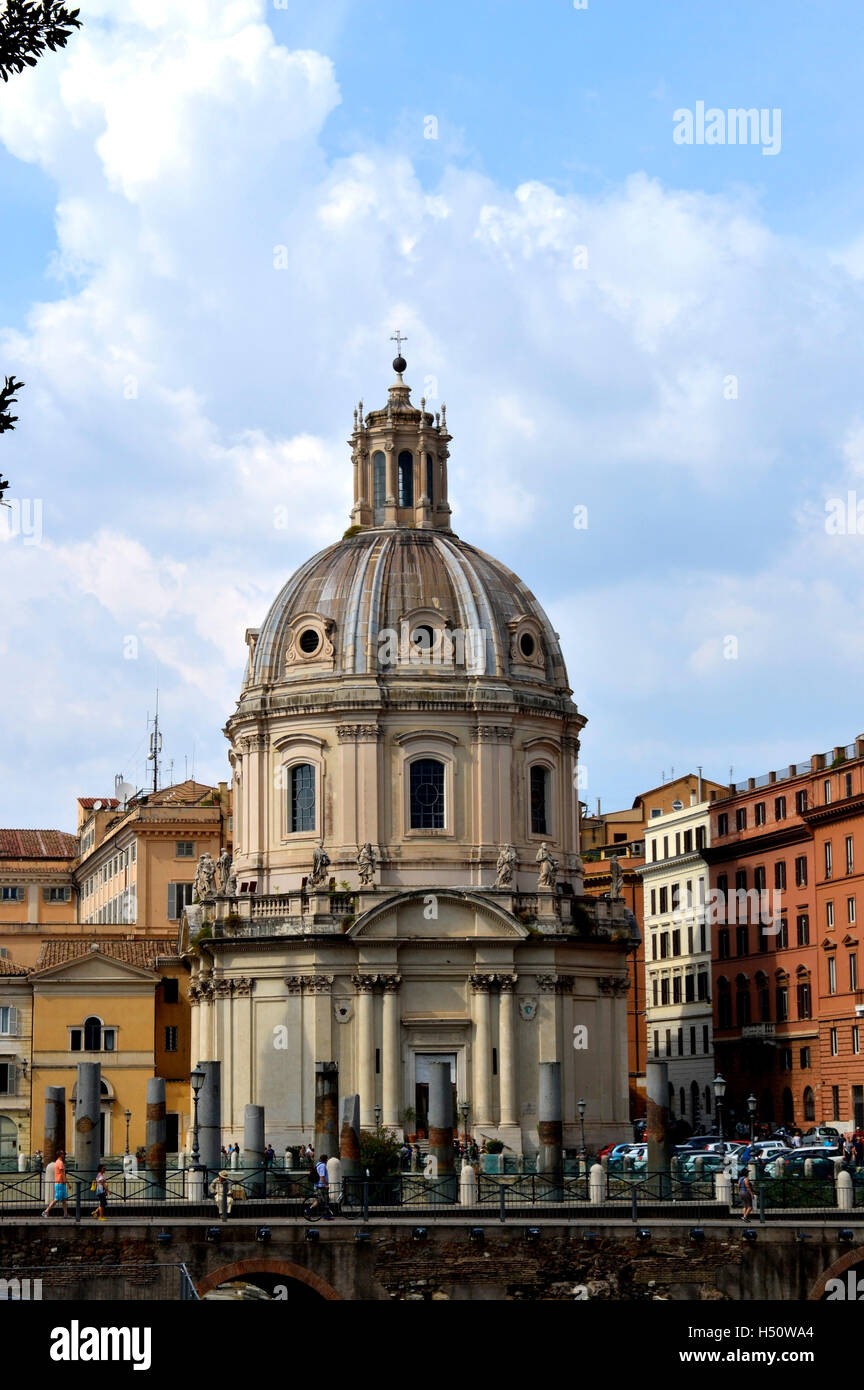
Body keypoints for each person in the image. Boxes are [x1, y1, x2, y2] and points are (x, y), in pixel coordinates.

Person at [42, 1149, 69, 1218]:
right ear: (61, 1155)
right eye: (63, 1154)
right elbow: (63, 1174)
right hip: (60, 1183)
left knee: (64, 1200)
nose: (64, 1155)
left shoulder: (57, 1162)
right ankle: (46, 1211)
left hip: (60, 1183)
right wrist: (68, 1183)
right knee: (56, 1199)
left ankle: (65, 1214)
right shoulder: (60, 1163)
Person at [314, 1154, 334, 1219]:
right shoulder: (322, 1166)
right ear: (326, 1160)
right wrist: (326, 1184)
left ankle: (308, 1210)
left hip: (318, 1185)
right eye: (327, 1159)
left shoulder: (318, 1164)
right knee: (325, 1201)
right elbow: (322, 1177)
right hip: (321, 1186)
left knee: (321, 1201)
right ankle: (325, 1216)